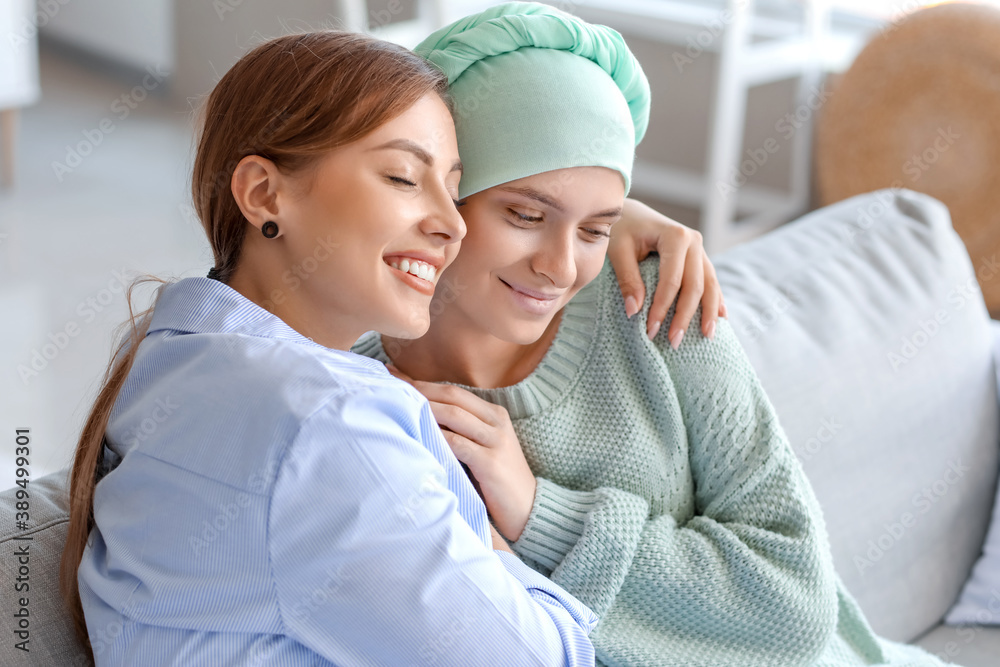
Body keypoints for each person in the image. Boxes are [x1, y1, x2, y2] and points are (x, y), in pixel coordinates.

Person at [355, 3, 958, 666]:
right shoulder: (354, 389)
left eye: (594, 228)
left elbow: (795, 608)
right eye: (525, 215)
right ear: (442, 195)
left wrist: (541, 515)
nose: (559, 268)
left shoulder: (657, 299)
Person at [62, 31, 613, 666]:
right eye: (404, 177)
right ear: (265, 194)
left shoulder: (175, 353)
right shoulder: (324, 424)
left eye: (454, 189)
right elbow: (547, 658)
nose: (452, 223)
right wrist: (490, 540)